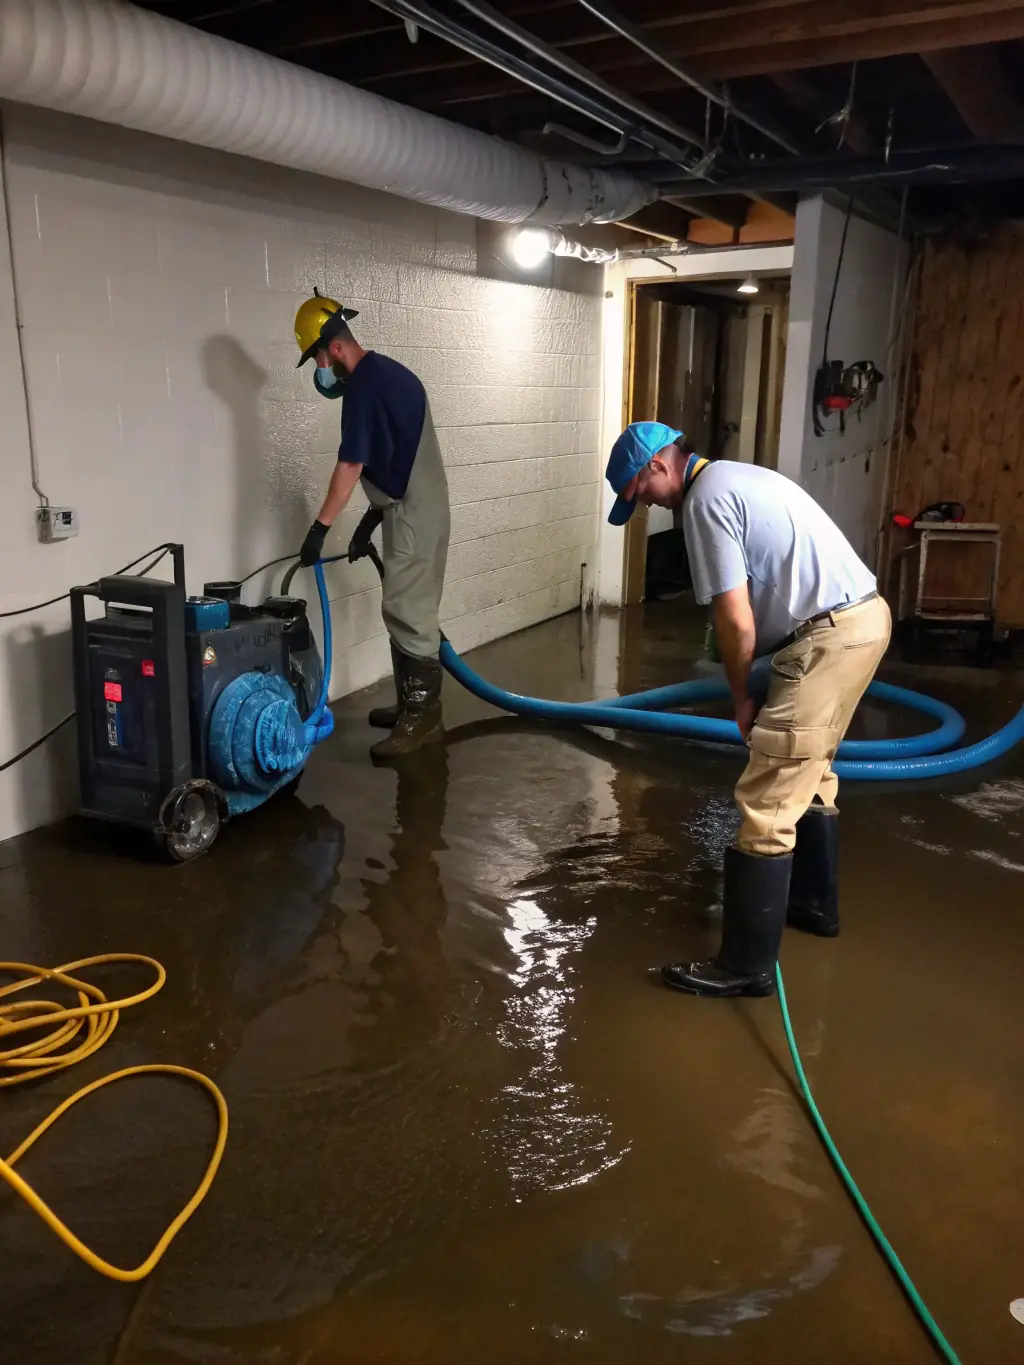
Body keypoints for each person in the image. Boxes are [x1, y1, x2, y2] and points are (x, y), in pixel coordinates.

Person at [605, 422, 891, 999]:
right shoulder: (734, 477)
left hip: (827, 638)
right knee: (812, 772)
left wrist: (740, 699)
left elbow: (736, 620)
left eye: (641, 492)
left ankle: (745, 967)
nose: (647, 505)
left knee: (768, 797)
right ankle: (812, 907)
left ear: (658, 465)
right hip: (862, 621)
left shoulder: (705, 501)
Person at [293, 291, 451, 758]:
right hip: (417, 505)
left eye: (317, 358)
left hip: (412, 514)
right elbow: (397, 457)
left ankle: (422, 719)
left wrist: (320, 528)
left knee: (408, 610)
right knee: (406, 606)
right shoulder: (389, 374)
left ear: (334, 348)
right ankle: (410, 706)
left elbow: (351, 465)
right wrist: (371, 518)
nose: (320, 370)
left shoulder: (362, 388)